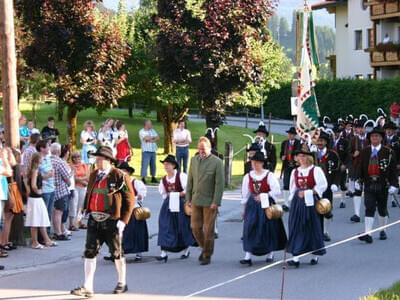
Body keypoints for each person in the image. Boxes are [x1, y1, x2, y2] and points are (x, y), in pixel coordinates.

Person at [70, 146, 135, 297]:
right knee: (89, 252)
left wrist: (123, 221)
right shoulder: (93, 175)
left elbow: (129, 200)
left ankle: (122, 282)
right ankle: (87, 286)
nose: (97, 162)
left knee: (117, 253)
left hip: (112, 220)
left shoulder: (119, 176)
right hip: (94, 219)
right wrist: (83, 211)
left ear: (108, 160)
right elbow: (89, 194)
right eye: (96, 159)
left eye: (99, 159)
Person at [240, 151, 287, 266]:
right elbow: (245, 194)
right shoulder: (248, 176)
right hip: (252, 205)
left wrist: (264, 195)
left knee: (267, 228)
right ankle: (248, 255)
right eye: (253, 162)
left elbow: (276, 190)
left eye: (257, 162)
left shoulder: (268, 175)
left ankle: (270, 252)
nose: (255, 164)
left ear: (262, 163)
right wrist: (244, 209)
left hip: (266, 205)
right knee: (250, 227)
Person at [286, 144, 328, 268]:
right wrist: (291, 200)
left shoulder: (315, 170)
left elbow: (322, 185)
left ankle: (314, 254)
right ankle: (296, 256)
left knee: (311, 226)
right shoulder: (295, 171)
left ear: (308, 157)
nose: (301, 158)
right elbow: (292, 188)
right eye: (299, 156)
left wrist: (309, 192)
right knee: (296, 227)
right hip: (298, 203)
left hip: (310, 202)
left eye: (304, 156)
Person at [186, 137, 224, 265]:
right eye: (199, 149)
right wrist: (188, 199)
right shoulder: (194, 160)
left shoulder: (217, 162)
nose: (201, 151)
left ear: (210, 148)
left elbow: (219, 184)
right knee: (195, 228)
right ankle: (205, 248)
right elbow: (190, 181)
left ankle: (207, 255)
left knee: (208, 230)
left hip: (210, 202)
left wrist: (216, 201)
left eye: (204, 149)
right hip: (196, 199)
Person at [357, 127, 398, 244]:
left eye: (377, 136)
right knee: (369, 207)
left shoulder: (388, 152)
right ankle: (368, 233)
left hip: (383, 184)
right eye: (372, 136)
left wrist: (394, 184)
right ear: (369, 138)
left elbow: (393, 170)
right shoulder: (365, 151)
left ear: (381, 138)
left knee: (382, 209)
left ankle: (382, 230)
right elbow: (361, 167)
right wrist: (358, 180)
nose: (375, 138)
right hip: (369, 183)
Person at [104, 162, 148, 262]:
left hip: (133, 210)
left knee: (135, 231)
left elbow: (142, 194)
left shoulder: (135, 182)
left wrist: (137, 197)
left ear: (128, 172)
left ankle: (138, 253)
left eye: (124, 171)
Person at [156, 155, 196, 262]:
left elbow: (188, 190)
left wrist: (180, 195)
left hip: (181, 204)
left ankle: (186, 249)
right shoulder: (164, 180)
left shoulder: (181, 176)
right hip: (168, 204)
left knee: (182, 226)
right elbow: (164, 194)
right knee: (165, 225)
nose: (166, 166)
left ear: (174, 166)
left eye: (168, 164)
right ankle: (163, 252)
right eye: (165, 164)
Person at [25, 153, 57, 249]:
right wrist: (38, 191)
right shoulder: (35, 170)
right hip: (35, 198)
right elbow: (33, 185)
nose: (43, 159)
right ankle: (35, 242)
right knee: (35, 220)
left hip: (35, 198)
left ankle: (46, 240)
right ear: (38, 160)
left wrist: (42, 182)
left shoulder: (35, 170)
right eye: (41, 158)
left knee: (41, 218)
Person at [314, 131, 341, 242]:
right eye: (318, 140)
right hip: (314, 188)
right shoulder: (312, 154)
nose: (319, 142)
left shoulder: (333, 154)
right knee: (314, 210)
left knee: (326, 209)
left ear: (326, 142)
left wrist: (335, 183)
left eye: (322, 140)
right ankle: (316, 231)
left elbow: (337, 171)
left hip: (327, 186)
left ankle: (325, 231)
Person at [1, 148, 24, 251]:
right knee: (6, 216)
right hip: (7, 189)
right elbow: (9, 174)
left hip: (7, 190)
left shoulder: (7, 163)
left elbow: (15, 164)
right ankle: (3, 242)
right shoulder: (4, 164)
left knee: (9, 216)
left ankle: (5, 241)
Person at [50, 143, 71, 241]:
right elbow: (66, 176)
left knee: (55, 212)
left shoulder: (48, 160)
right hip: (60, 190)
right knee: (59, 212)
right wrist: (69, 182)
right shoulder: (59, 162)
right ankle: (58, 232)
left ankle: (56, 231)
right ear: (59, 151)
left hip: (51, 188)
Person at [349, 119, 369, 223]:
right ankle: (356, 214)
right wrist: (353, 155)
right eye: (359, 128)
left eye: (362, 128)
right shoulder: (353, 140)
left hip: (369, 168)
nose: (361, 130)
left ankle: (369, 210)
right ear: (356, 129)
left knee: (369, 190)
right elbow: (348, 154)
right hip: (357, 169)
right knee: (357, 190)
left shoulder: (369, 139)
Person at [280, 127, 301, 211]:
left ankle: (293, 202)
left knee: (294, 184)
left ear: (295, 135)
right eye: (289, 134)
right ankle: (286, 203)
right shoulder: (284, 143)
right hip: (287, 165)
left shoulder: (298, 143)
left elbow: (300, 153)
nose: (290, 135)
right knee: (286, 184)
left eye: (292, 134)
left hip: (295, 166)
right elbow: (281, 153)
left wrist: (297, 159)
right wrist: (282, 157)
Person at [332, 124, 351, 208]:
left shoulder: (345, 141)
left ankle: (343, 200)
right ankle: (330, 201)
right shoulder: (330, 141)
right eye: (335, 132)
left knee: (342, 183)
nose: (336, 134)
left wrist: (345, 165)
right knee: (331, 183)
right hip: (332, 165)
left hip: (341, 164)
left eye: (337, 132)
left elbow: (347, 154)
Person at [37, 140, 55, 225]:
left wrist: (51, 173)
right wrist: (45, 176)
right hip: (44, 190)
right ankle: (42, 235)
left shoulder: (48, 158)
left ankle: (47, 232)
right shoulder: (38, 160)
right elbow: (35, 176)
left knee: (49, 212)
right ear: (42, 148)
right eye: (48, 146)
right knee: (44, 213)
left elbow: (50, 170)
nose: (49, 148)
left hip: (51, 187)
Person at [0, 147, 13, 264]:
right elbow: (8, 172)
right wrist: (4, 158)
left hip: (3, 194)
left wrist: (9, 195)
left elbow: (5, 178)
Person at [70, 151, 90, 229]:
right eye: (76, 157)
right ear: (73, 159)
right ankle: (71, 224)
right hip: (75, 187)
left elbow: (87, 176)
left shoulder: (83, 165)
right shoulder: (71, 166)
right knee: (74, 205)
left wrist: (81, 179)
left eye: (79, 157)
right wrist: (83, 180)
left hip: (83, 187)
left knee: (81, 206)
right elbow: (74, 178)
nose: (78, 159)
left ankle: (79, 222)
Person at [383, 121, 400, 208]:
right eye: (387, 129)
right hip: (385, 163)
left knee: (394, 180)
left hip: (395, 163)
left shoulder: (397, 139)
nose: (388, 131)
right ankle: (389, 200)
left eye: (390, 129)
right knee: (386, 181)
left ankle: (394, 199)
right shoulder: (382, 139)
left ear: (393, 130)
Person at [60, 145, 77, 233]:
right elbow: (66, 176)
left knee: (68, 208)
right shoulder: (62, 162)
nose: (68, 153)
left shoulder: (66, 162)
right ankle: (62, 227)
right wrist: (72, 171)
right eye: (67, 152)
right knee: (65, 209)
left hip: (71, 188)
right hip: (67, 188)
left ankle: (64, 227)